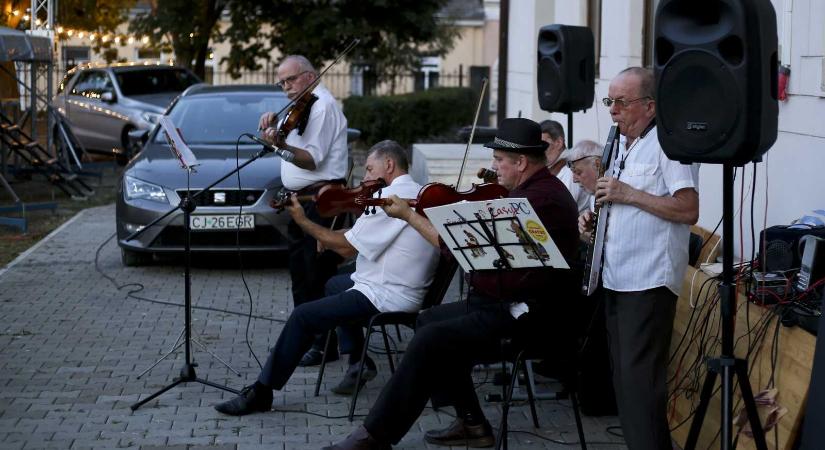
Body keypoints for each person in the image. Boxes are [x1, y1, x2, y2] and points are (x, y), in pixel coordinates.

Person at [325, 118, 580, 450]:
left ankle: (375, 435)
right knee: (428, 319)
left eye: (500, 160)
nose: (494, 167)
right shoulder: (528, 191)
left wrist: (412, 216)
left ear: (521, 162)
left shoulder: (540, 199)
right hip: (504, 300)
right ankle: (472, 422)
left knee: (434, 338)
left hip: (530, 313)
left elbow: (467, 250)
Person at [214, 141, 440, 416]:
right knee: (334, 283)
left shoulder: (391, 198)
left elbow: (346, 247)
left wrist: (306, 223)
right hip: (398, 285)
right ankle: (357, 359)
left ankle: (262, 392)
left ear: (389, 165)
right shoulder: (414, 191)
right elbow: (360, 236)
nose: (366, 178)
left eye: (369, 169)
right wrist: (335, 237)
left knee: (303, 316)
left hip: (386, 295)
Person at [579, 67, 699, 450]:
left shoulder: (668, 143)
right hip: (616, 276)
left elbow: (688, 209)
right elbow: (621, 202)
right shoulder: (621, 144)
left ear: (649, 105)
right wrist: (595, 221)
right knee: (627, 387)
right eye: (609, 101)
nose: (613, 110)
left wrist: (627, 194)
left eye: (621, 102)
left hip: (647, 281)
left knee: (640, 386)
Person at [259, 55, 349, 366]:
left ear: (310, 76)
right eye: (281, 82)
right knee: (301, 272)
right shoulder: (303, 105)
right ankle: (309, 339)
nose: (285, 87)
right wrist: (273, 127)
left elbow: (312, 159)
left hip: (320, 198)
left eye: (290, 80)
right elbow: (285, 142)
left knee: (314, 272)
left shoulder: (321, 105)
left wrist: (278, 145)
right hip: (301, 198)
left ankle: (323, 344)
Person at [540, 119, 590, 214]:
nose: (539, 151)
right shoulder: (553, 167)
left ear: (558, 143)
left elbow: (561, 209)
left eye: (543, 145)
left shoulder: (571, 169)